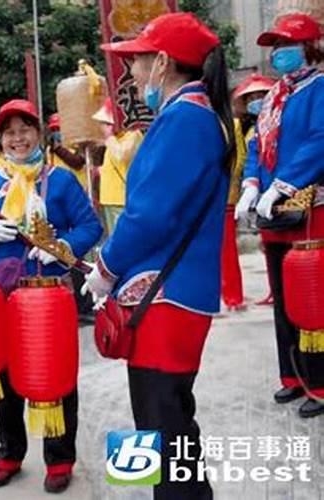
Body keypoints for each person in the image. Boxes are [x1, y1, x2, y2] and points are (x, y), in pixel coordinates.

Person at [90, 13, 235, 499]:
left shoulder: (185, 120)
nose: (131, 74)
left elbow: (150, 215)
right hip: (167, 293)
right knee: (160, 417)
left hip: (166, 298)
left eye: (137, 61)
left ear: (164, 63)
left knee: (163, 422)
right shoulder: (190, 116)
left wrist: (106, 267)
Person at [0, 98, 102, 494]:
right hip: (4, 295)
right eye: (9, 132)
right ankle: (10, 452)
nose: (17, 139)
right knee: (7, 372)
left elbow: (90, 227)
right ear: (1, 139)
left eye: (24, 130)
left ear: (39, 134)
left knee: (55, 371)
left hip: (49, 296)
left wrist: (60, 247)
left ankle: (60, 457)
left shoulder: (60, 181)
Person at [237, 13, 324, 418]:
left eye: (286, 45)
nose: (278, 54)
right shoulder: (274, 95)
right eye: (274, 47)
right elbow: (257, 144)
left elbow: (319, 142)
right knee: (283, 298)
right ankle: (292, 376)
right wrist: (252, 185)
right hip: (274, 214)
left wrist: (283, 184)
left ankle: (319, 382)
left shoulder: (320, 88)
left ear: (308, 47)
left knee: (313, 298)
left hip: (310, 210)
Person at [221, 74, 276, 311]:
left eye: (260, 96)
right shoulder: (248, 127)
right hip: (254, 191)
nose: (256, 101)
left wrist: (240, 184)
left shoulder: (268, 124)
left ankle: (235, 296)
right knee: (269, 243)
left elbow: (241, 158)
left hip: (267, 191)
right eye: (251, 97)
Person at [93, 98, 143, 236]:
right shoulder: (116, 138)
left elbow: (121, 156)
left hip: (121, 198)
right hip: (109, 198)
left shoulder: (133, 135)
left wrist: (109, 137)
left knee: (123, 237)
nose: (103, 127)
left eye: (106, 123)